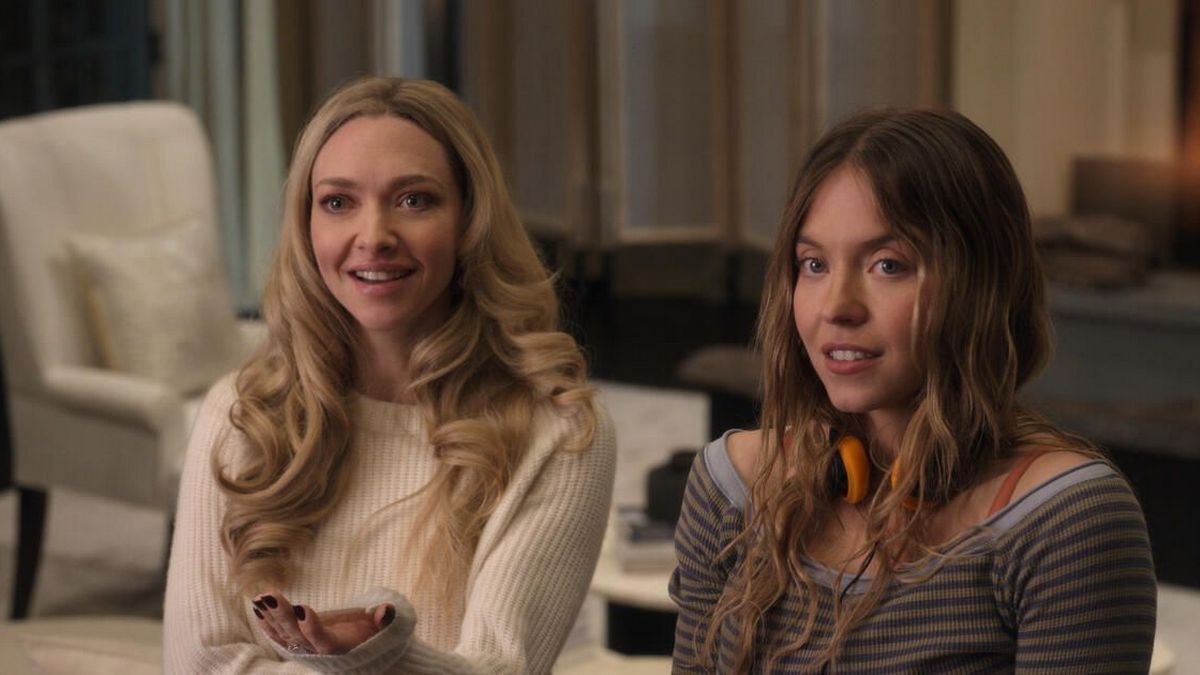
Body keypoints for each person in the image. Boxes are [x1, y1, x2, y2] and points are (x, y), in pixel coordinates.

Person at [670, 109, 1156, 673]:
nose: (836, 307)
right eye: (814, 263)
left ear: (982, 286)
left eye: (888, 265)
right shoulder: (729, 489)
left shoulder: (1066, 520)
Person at [163, 76, 615, 673]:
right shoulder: (241, 413)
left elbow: (500, 668)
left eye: (414, 200)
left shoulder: (560, 430)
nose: (373, 237)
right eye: (338, 203)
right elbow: (199, 664)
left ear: (470, 221)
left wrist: (370, 655)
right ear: (306, 226)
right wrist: (368, 663)